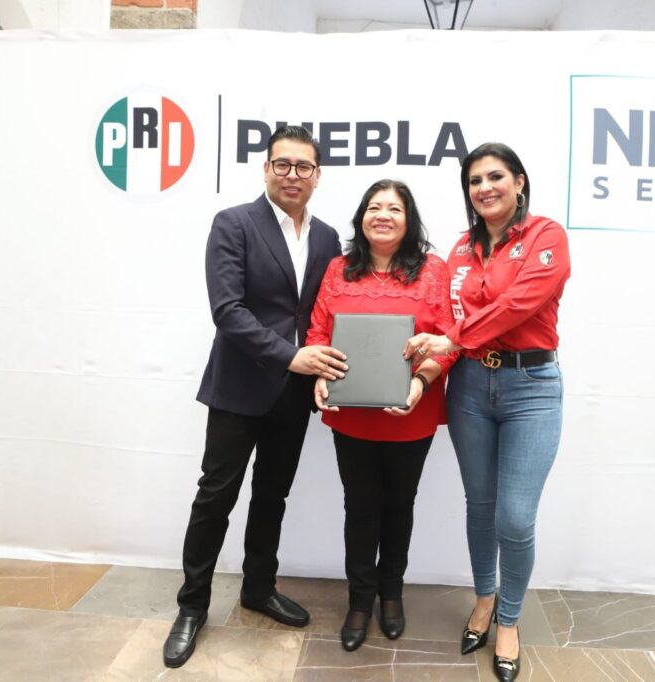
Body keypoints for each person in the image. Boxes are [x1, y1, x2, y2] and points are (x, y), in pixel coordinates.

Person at [163, 126, 348, 669]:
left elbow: (324, 312)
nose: (293, 175)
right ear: (266, 169)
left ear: (317, 176)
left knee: (272, 496)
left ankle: (258, 588)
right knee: (215, 497)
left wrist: (323, 367)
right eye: (282, 164)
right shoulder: (234, 223)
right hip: (240, 386)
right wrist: (290, 356)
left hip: (293, 394)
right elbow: (228, 310)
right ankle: (192, 607)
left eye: (303, 167)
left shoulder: (327, 238)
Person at [403, 143, 570, 682]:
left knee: (514, 518)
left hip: (531, 387)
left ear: (519, 182)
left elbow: (517, 305)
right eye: (474, 180)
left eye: (495, 176)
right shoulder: (459, 250)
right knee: (480, 505)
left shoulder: (545, 236)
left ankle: (510, 620)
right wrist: (417, 351)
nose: (484, 188)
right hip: (471, 385)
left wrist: (449, 338)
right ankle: (483, 599)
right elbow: (439, 313)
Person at [306, 179, 457, 652]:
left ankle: (391, 593)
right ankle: (359, 600)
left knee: (399, 505)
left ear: (409, 220)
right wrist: (320, 374)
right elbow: (318, 331)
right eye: (374, 207)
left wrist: (421, 382)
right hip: (351, 415)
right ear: (362, 218)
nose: (383, 215)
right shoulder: (338, 269)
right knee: (359, 507)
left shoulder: (433, 270)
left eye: (394, 208)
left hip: (411, 411)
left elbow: (451, 340)